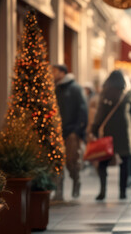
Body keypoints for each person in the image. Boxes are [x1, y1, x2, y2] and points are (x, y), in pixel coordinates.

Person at [91, 70, 131, 200]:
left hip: (108, 131)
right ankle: (122, 192)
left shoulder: (106, 92)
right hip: (124, 131)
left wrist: (94, 128)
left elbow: (100, 113)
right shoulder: (127, 93)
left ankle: (102, 191)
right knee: (124, 162)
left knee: (103, 161)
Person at [52, 64, 88, 200]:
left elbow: (83, 110)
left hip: (72, 132)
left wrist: (78, 131)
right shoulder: (55, 89)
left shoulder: (75, 88)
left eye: (54, 71)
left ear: (62, 72)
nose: (52, 74)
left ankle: (76, 181)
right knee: (57, 161)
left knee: (71, 161)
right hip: (57, 132)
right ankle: (58, 191)